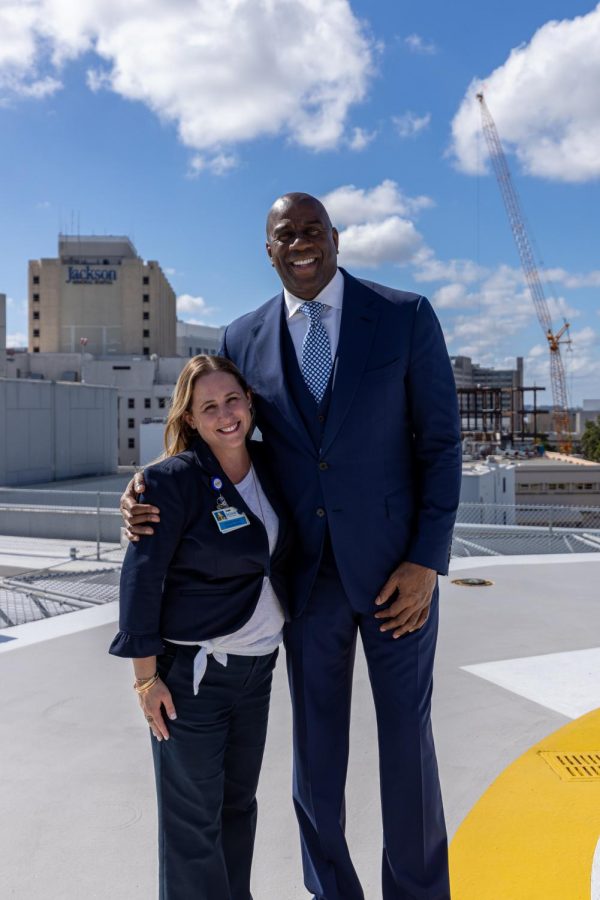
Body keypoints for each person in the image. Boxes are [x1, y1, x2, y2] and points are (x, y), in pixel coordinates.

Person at [122, 192, 462, 900]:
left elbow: (440, 445)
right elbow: (223, 444)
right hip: (303, 580)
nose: (301, 244)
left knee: (407, 743)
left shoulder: (404, 317)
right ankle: (331, 889)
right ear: (268, 249)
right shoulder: (243, 336)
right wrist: (146, 489)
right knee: (317, 750)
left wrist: (428, 560)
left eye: (313, 231)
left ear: (335, 238)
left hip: (400, 574)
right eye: (286, 235)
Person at [110, 354, 292, 900]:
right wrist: (146, 680)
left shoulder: (275, 466)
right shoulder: (169, 483)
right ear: (190, 418)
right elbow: (140, 582)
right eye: (208, 406)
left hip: (257, 671)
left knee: (238, 807)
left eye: (232, 400)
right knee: (192, 825)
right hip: (192, 678)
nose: (225, 414)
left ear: (250, 403)